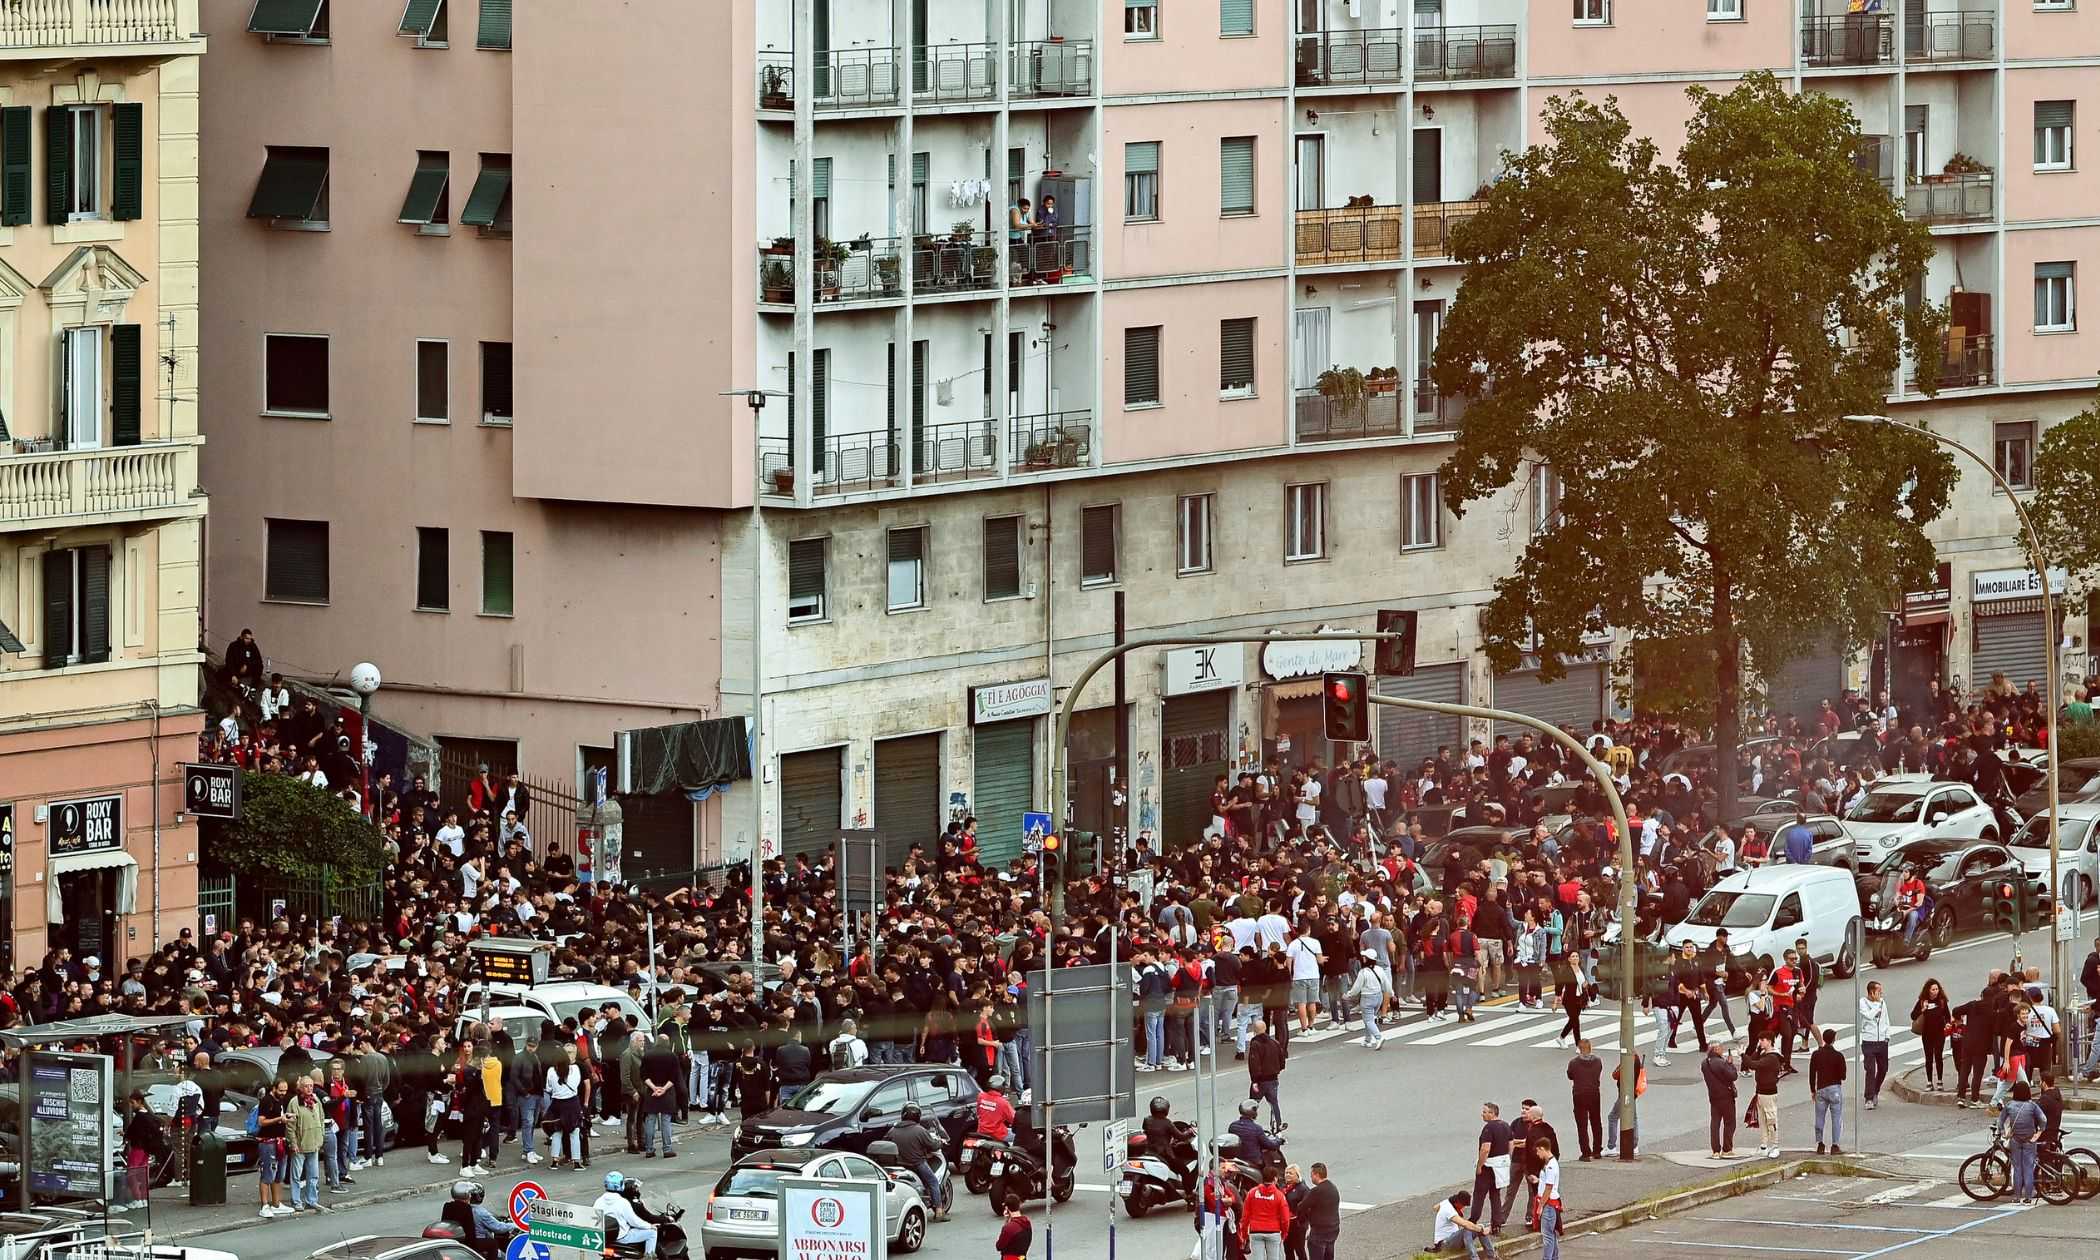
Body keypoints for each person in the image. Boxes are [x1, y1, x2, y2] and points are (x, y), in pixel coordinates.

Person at [891, 1104, 950, 1222]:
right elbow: (933, 1146)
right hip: (916, 1164)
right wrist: (941, 1143)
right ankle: (939, 1211)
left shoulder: (893, 1130)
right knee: (933, 1182)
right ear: (918, 1116)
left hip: (898, 1165)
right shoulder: (919, 1130)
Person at [1997, 1081, 2047, 1206]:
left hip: (2015, 1140)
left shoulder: (2009, 1105)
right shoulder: (2032, 1106)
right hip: (2030, 1140)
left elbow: (2000, 1121)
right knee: (2028, 1168)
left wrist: (2003, 1133)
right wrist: (2038, 1133)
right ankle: (2028, 1197)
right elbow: (2043, 1119)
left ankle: (2017, 1196)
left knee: (2017, 1168)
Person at [1470, 1102, 1513, 1233]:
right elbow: (1511, 1144)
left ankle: (1472, 1221)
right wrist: (1507, 1160)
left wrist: (1480, 1165)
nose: (1482, 1114)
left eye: (1484, 1112)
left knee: (1479, 1194)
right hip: (1500, 1166)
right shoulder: (1505, 1126)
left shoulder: (1489, 1128)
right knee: (1495, 1195)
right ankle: (1496, 1224)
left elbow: (1485, 1149)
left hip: (1488, 1167)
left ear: (1492, 1113)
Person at [594, 1172, 658, 1257]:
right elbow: (634, 1221)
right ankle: (649, 1257)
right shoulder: (622, 1202)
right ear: (621, 1185)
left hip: (605, 1238)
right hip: (622, 1237)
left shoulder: (598, 1201)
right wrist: (650, 1226)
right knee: (652, 1233)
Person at [1742, 1035, 1786, 1159]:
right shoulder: (1763, 1054)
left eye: (1763, 1040)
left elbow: (1753, 1064)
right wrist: (1757, 1050)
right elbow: (1752, 1062)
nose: (1760, 1042)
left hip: (1769, 1092)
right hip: (1760, 1091)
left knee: (1771, 1120)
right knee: (1762, 1121)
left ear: (1770, 1041)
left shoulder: (1772, 1057)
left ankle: (1775, 1146)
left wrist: (1742, 1055)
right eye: (1759, 1040)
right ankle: (1764, 1145)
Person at [1142, 1096, 1194, 1200]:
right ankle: (1189, 1195)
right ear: (1166, 1109)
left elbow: (1145, 1130)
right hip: (1164, 1154)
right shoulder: (1167, 1123)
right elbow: (1180, 1136)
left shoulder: (1147, 1120)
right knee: (1185, 1171)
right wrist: (1190, 1132)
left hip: (1149, 1152)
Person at [122, 1090, 163, 1210]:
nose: (131, 1105)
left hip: (137, 1148)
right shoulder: (149, 1116)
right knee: (143, 1174)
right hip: (146, 1149)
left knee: (131, 1173)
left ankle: (137, 1199)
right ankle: (144, 1199)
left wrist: (126, 1135)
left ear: (139, 1102)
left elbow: (134, 1132)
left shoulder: (139, 1117)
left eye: (132, 1102)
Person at [1240, 1165, 1292, 1260]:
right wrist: (1284, 1234)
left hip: (1255, 1232)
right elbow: (1285, 1218)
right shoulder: (1279, 1196)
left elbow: (1245, 1216)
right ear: (1275, 1179)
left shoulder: (1252, 1193)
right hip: (1273, 1232)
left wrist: (1244, 1233)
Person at [1564, 1042, 1603, 1161]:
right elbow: (1599, 1072)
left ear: (1579, 1049)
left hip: (1579, 1094)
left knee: (1582, 1124)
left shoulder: (1574, 1063)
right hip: (1594, 1093)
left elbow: (1570, 1076)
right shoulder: (1597, 1061)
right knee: (1596, 1122)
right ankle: (1597, 1150)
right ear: (1591, 1048)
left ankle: (1585, 1152)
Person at [1912, 978, 1952, 1092]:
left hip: (1939, 1033)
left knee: (1938, 1056)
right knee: (1928, 1057)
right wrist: (1922, 1009)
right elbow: (1913, 1016)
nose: (1935, 991)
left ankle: (1940, 1080)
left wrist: (1948, 1024)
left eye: (1937, 989)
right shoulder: (1922, 1001)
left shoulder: (1942, 1001)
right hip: (1927, 1034)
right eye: (1933, 989)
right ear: (1928, 990)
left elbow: (1947, 1015)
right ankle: (1929, 1082)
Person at [1810, 1028, 1846, 1155]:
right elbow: (1843, 1076)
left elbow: (1812, 1073)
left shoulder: (1816, 1054)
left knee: (1819, 1118)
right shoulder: (1838, 1056)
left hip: (1820, 1089)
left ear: (1824, 1039)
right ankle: (1835, 1145)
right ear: (1834, 1039)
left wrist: (1812, 1090)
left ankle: (1820, 1144)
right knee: (1836, 1118)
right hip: (1834, 1088)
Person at [1431, 1191, 1498, 1257]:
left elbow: (1435, 1207)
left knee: (1480, 1226)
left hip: (1454, 1239)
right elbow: (1465, 1224)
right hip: (1444, 1244)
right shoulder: (1448, 1210)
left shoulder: (1446, 1202)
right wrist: (1481, 1230)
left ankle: (1492, 1256)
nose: (1463, 1208)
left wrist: (1481, 1228)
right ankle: (1474, 1258)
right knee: (1468, 1229)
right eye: (1463, 1205)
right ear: (1458, 1203)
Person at [1346, 948, 1390, 1049]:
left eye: (1364, 957)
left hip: (1367, 998)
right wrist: (1391, 993)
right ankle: (1367, 1040)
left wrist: (1348, 995)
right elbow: (1386, 984)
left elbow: (1356, 988)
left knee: (1368, 1020)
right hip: (1379, 997)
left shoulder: (1363, 972)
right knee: (1370, 1018)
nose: (1362, 958)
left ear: (1366, 959)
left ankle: (1378, 1037)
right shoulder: (1379, 969)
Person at [1248, 1020, 1286, 1130]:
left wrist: (1255, 1081)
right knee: (1274, 1103)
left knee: (1252, 1104)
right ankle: (1277, 1124)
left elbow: (1254, 1064)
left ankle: (1248, 1126)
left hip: (1260, 1080)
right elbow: (1282, 1059)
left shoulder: (1255, 1044)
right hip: (1273, 1078)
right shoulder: (1274, 1043)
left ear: (1254, 1030)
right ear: (1265, 1029)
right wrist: (1277, 1069)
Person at [1701, 1042, 1738, 1158]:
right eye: (1721, 1048)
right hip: (1726, 1096)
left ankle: (1715, 1150)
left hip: (1713, 1096)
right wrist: (1730, 1064)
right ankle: (1727, 1149)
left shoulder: (1705, 1063)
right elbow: (1733, 1076)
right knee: (1729, 1122)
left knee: (1715, 1123)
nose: (1722, 1050)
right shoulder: (1721, 1063)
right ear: (1716, 1049)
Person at [1858, 981, 1890, 1109]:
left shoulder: (1882, 1002)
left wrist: (1887, 1036)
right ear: (1871, 992)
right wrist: (1877, 1004)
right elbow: (1869, 1016)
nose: (1880, 994)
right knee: (1870, 1069)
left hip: (1882, 1040)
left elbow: (1886, 1019)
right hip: (1868, 1041)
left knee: (1883, 1068)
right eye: (1878, 992)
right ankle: (1869, 1098)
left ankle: (1876, 1090)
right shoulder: (1863, 1002)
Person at [1302, 1163, 1341, 1260]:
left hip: (1319, 1231)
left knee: (1316, 1254)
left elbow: (1302, 1207)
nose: (1311, 1178)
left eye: (1311, 1175)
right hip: (1333, 1228)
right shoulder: (1333, 1188)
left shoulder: (1317, 1191)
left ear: (1316, 1175)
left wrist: (1303, 1221)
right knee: (1329, 1254)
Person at [1532, 1138, 1563, 1260]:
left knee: (1547, 1236)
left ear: (1542, 1149)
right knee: (1552, 1234)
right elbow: (1548, 1183)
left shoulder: (1550, 1166)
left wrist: (1540, 1207)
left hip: (1548, 1205)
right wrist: (1539, 1181)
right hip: (1551, 1204)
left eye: (1538, 1151)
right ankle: (1554, 1258)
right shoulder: (1550, 1163)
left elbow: (1549, 1188)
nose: (1537, 1154)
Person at [995, 1195, 1032, 1260]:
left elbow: (999, 1246)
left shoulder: (1009, 1228)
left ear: (1007, 1208)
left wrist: (1006, 1222)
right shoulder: (1027, 1223)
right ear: (1019, 1205)